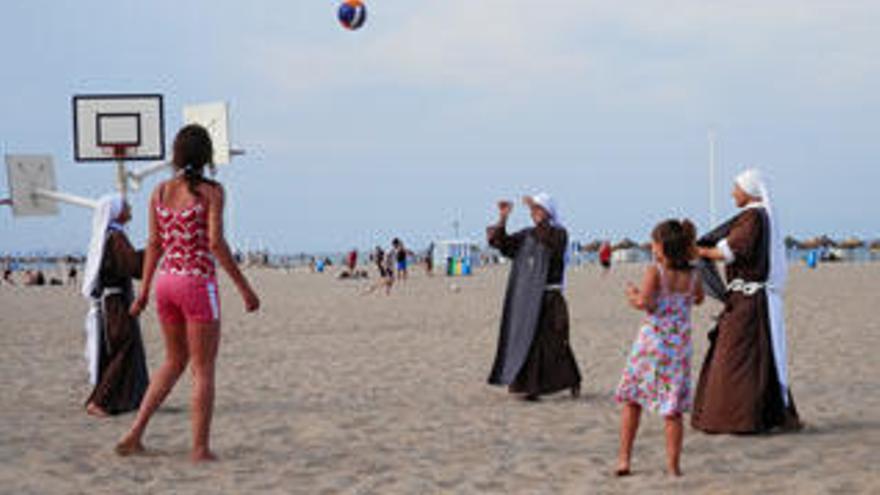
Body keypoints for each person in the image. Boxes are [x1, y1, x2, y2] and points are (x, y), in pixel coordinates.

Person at [116, 124, 260, 462]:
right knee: (203, 369)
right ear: (206, 155)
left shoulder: (160, 192)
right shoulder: (212, 192)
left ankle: (135, 432)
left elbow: (154, 244)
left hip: (166, 282)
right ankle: (199, 448)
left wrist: (144, 291)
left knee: (173, 361)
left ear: (176, 155)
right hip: (196, 283)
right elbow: (214, 243)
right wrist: (245, 288)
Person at [692, 168, 802, 434]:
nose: (732, 193)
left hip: (750, 301)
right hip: (747, 299)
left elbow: (730, 252)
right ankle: (752, 416)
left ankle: (738, 418)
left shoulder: (752, 217)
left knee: (738, 358)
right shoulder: (755, 216)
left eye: (736, 188)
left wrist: (697, 251)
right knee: (749, 356)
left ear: (749, 191)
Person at [614, 219, 703, 477]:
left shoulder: (656, 272)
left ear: (662, 247)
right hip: (678, 350)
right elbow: (698, 299)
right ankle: (674, 466)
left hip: (651, 346)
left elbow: (646, 303)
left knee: (632, 401)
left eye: (654, 242)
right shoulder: (693, 274)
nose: (652, 247)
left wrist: (632, 295)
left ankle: (624, 460)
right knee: (672, 410)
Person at [487, 193, 582, 401]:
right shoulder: (527, 235)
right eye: (533, 210)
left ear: (549, 212)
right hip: (529, 299)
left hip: (550, 299)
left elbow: (548, 241)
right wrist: (503, 218)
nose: (534, 213)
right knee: (529, 341)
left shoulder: (559, 234)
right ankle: (531, 388)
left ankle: (572, 379)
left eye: (539, 209)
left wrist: (538, 211)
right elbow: (501, 243)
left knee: (555, 343)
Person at [82, 194, 149, 417]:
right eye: (126, 205)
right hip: (116, 303)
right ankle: (100, 401)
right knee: (124, 346)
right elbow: (131, 266)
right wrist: (152, 250)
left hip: (110, 302)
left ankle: (125, 398)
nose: (130, 208)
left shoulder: (109, 236)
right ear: (117, 212)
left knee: (116, 349)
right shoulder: (116, 237)